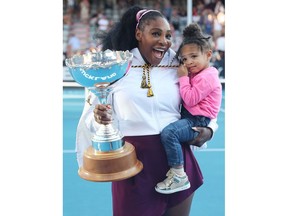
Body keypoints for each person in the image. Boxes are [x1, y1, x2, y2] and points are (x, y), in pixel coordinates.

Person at [76, 6, 218, 216]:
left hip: (177, 165)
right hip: (134, 166)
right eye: (156, 33)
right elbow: (91, 116)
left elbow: (207, 97)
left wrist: (209, 130)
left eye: (168, 35)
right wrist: (101, 119)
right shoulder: (115, 65)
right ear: (138, 34)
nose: (164, 41)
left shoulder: (179, 63)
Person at [155, 23, 222, 194]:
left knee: (170, 133)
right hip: (192, 116)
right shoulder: (199, 73)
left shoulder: (207, 76)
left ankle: (178, 174)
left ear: (208, 55)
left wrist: (183, 78)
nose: (188, 62)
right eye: (184, 59)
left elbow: (190, 99)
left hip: (197, 119)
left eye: (193, 56)